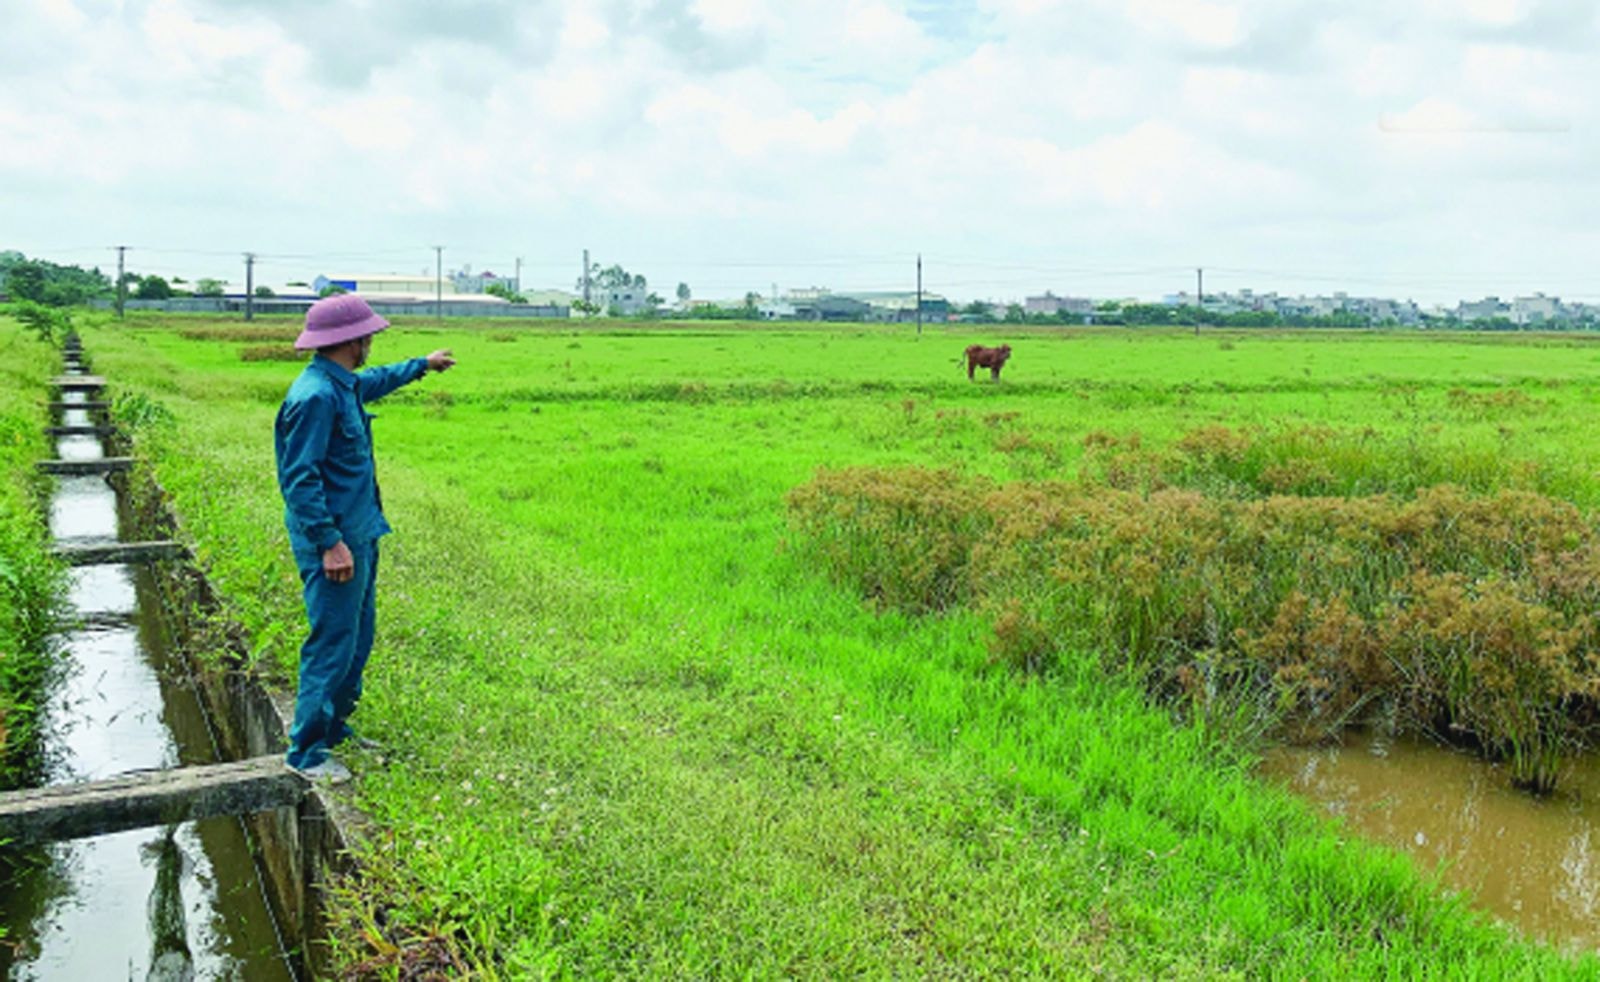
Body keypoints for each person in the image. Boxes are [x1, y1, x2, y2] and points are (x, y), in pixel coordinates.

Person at [274, 294, 456, 782]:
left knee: (357, 635)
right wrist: (329, 542)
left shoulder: (341, 385)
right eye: (369, 335)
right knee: (332, 639)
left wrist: (423, 365)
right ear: (352, 340)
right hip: (334, 540)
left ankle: (333, 727)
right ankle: (306, 752)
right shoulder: (313, 397)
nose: (372, 341)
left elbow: (373, 382)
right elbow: (299, 479)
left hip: (359, 531)